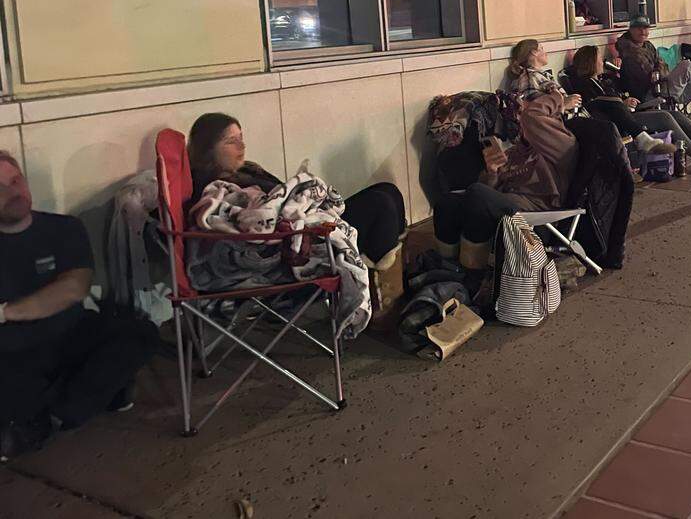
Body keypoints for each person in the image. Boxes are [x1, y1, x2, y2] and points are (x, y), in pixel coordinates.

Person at [0, 152, 157, 460]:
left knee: (139, 332)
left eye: (16, 180)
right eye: (0, 187)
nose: (13, 191)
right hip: (14, 353)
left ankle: (50, 419)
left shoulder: (64, 229)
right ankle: (95, 393)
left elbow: (74, 287)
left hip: (70, 334)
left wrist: (5, 312)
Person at [187, 114, 405, 263]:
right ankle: (384, 295)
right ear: (208, 150)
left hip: (309, 220)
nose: (241, 146)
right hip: (300, 240)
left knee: (388, 191)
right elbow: (259, 220)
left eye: (241, 138)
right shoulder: (217, 190)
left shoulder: (246, 171)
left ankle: (394, 273)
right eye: (230, 141)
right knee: (381, 205)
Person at [566, 46, 691, 166]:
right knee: (665, 116)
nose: (602, 62)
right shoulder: (586, 83)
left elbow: (613, 97)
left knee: (674, 115)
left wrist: (624, 98)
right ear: (590, 63)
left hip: (629, 112)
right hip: (622, 121)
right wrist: (623, 102)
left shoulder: (601, 79)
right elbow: (601, 106)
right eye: (598, 59)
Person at [614, 16, 691, 139]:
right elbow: (640, 81)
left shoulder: (648, 46)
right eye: (638, 28)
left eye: (645, 28)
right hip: (651, 95)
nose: (643, 32)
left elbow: (661, 64)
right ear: (631, 30)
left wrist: (658, 71)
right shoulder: (627, 52)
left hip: (666, 88)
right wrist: (656, 75)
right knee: (686, 65)